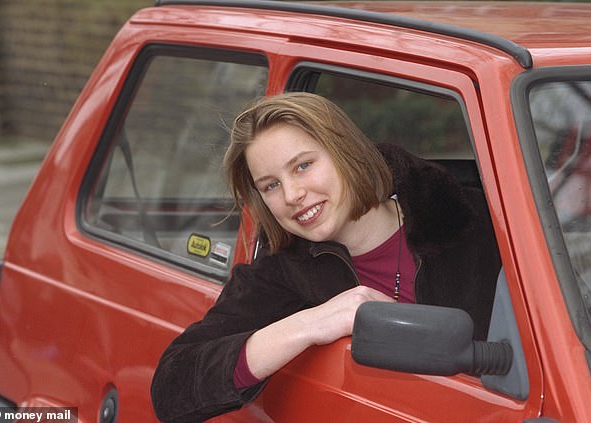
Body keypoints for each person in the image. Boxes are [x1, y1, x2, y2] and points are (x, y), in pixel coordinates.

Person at [151, 92, 501, 423]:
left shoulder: (481, 221)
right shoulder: (283, 271)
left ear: (346, 151)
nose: (292, 194)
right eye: (271, 185)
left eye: (303, 166)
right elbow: (172, 386)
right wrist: (311, 324)